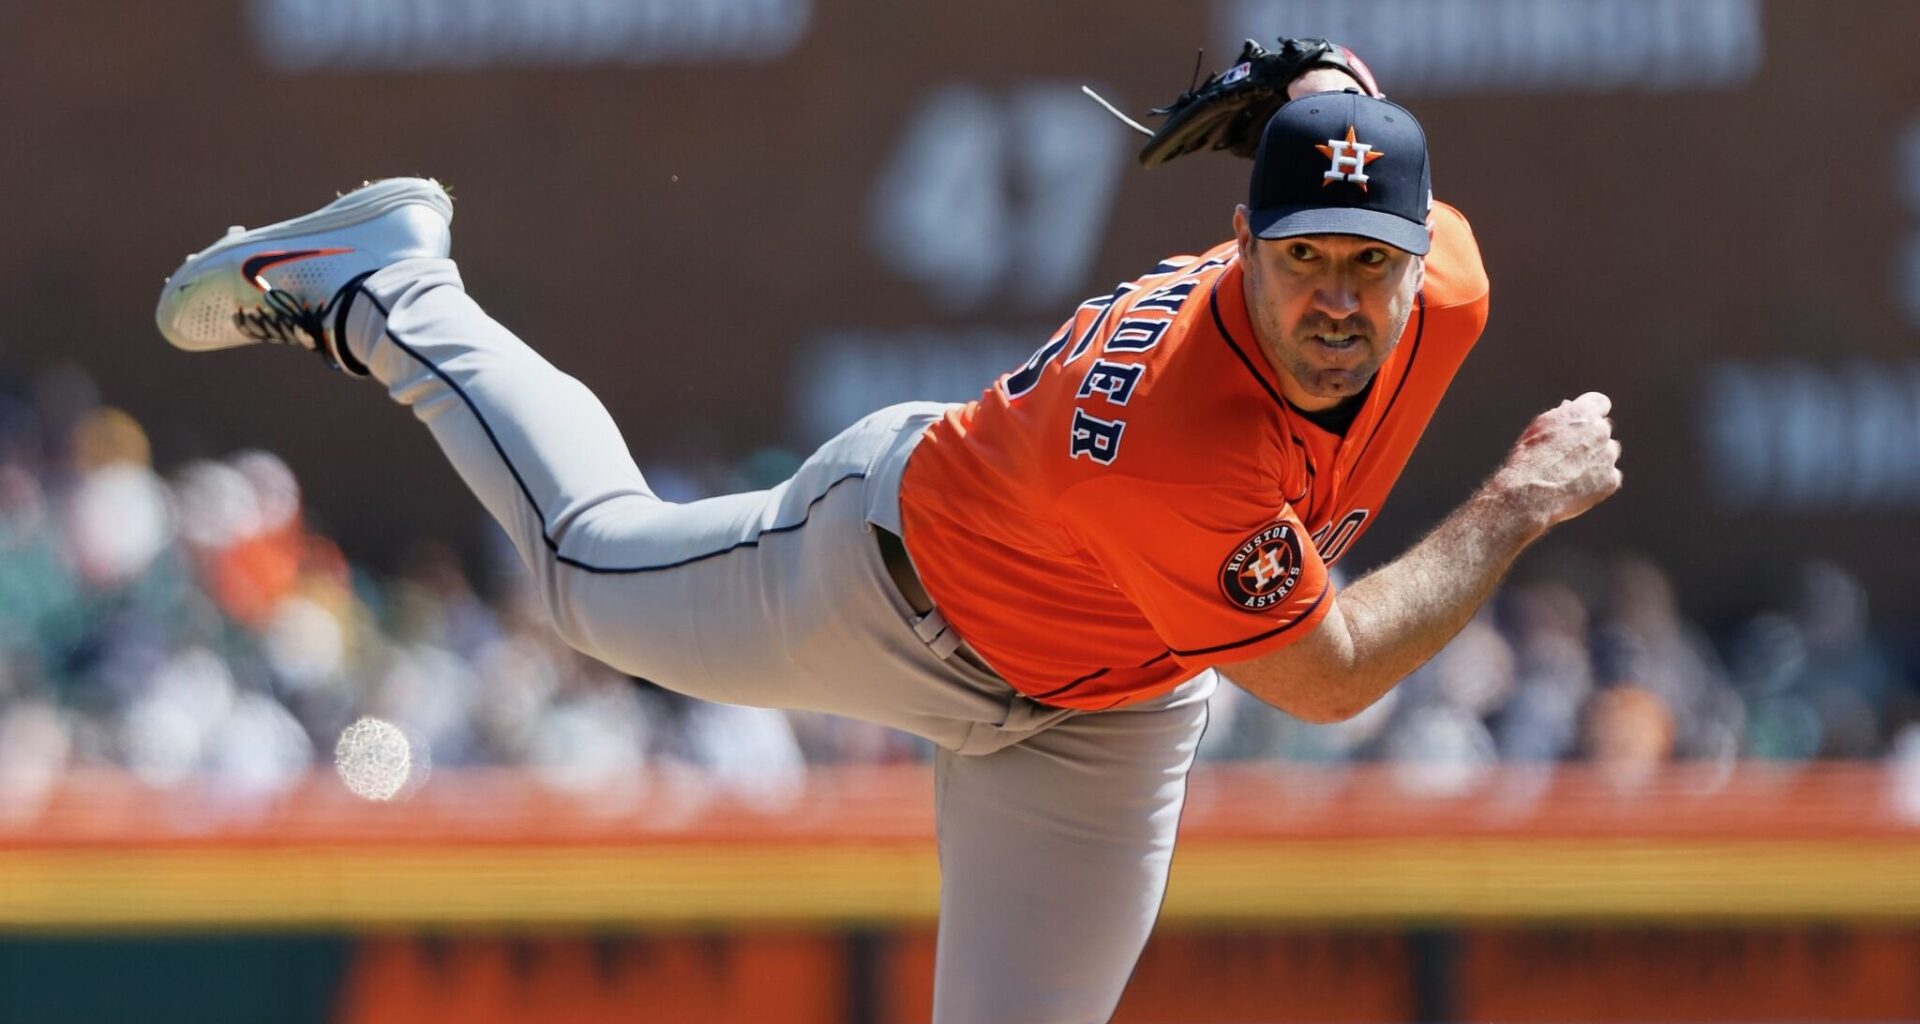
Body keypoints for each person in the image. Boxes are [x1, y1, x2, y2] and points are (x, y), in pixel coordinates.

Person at [154, 62, 1621, 1024]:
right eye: (1306, 259)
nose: (1345, 301)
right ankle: (389, 286)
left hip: (1107, 710)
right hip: (894, 590)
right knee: (587, 570)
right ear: (1243, 247)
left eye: (1375, 263)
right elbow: (1328, 674)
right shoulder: (1180, 434)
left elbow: (1363, 145)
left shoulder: (1448, 281)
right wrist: (1520, 501)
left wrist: (1326, 85)